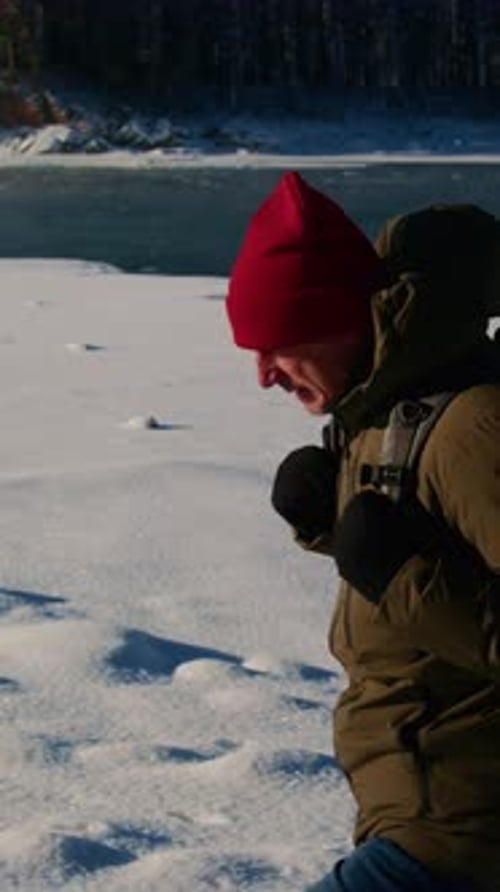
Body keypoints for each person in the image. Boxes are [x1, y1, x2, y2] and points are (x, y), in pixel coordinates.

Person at [225, 171, 500, 892]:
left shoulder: (474, 427)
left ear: (345, 316)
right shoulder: (381, 417)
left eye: (277, 343)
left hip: (461, 840)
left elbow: (426, 588)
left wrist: (402, 576)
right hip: (419, 817)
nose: (263, 376)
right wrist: (331, 528)